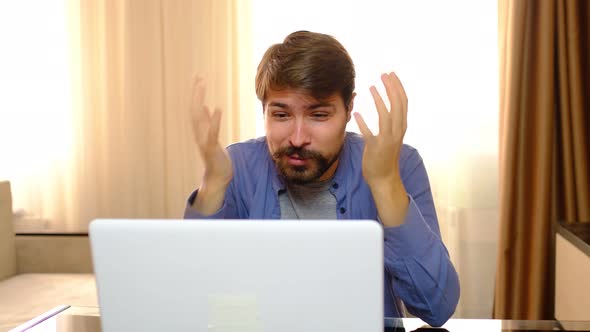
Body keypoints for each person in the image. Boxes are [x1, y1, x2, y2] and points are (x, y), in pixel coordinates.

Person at [184, 30, 460, 327]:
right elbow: (192, 298)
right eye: (281, 115)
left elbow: (436, 307)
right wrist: (213, 184)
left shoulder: (398, 163)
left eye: (318, 115)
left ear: (348, 109)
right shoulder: (235, 167)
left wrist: (385, 183)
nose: (298, 138)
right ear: (263, 110)